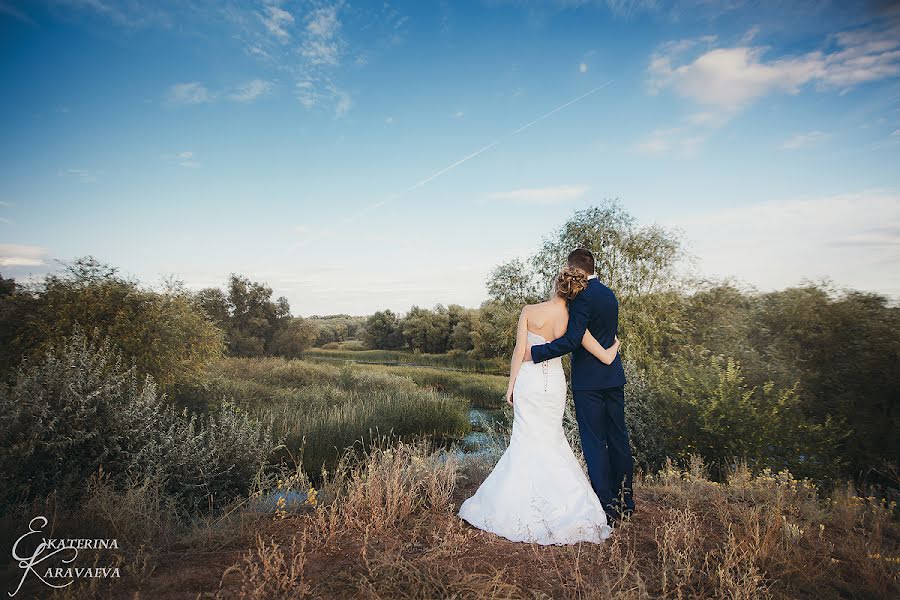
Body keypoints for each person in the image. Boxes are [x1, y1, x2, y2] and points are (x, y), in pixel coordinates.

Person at [457, 265, 619, 544]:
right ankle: (562, 501)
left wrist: (510, 386)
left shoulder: (529, 311)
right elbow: (604, 356)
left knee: (524, 440)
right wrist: (615, 345)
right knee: (552, 439)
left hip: (528, 384)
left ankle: (514, 500)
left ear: (555, 284)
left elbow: (520, 352)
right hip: (554, 386)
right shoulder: (574, 319)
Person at [526, 248, 635, 525]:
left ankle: (607, 507)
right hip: (613, 377)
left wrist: (537, 353)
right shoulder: (609, 295)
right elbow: (606, 335)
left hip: (589, 382)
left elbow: (574, 339)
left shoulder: (580, 297)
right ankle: (626, 501)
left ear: (573, 267)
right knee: (619, 440)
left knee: (595, 443)